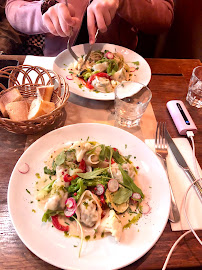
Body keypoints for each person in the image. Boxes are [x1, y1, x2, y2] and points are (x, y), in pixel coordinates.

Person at [5, 0, 174, 57]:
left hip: (117, 70)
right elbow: (13, 8)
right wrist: (44, 11)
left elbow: (164, 16)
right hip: (55, 64)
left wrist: (123, 2)